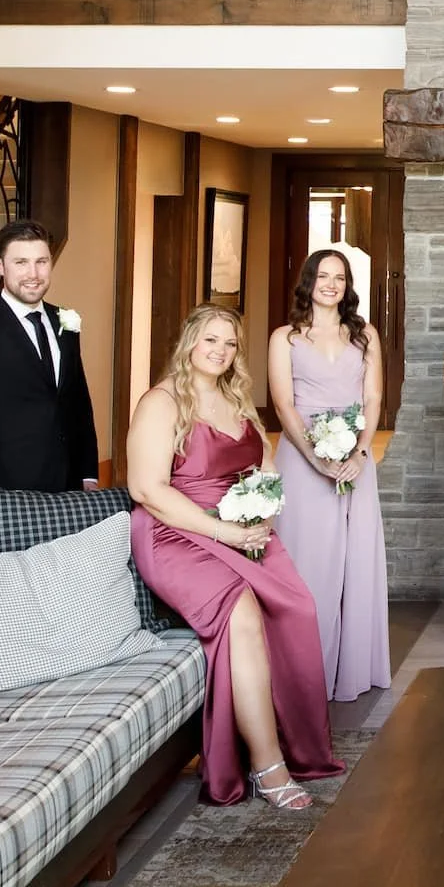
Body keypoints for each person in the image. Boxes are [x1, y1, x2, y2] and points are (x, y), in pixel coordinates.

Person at [127, 307, 341, 808]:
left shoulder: (236, 399)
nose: (220, 351)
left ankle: (296, 740)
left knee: (299, 608)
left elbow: (263, 463)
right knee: (242, 612)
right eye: (210, 340)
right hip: (175, 532)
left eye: (230, 343)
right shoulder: (162, 402)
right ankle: (269, 767)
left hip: (239, 527)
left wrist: (261, 506)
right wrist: (223, 530)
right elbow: (145, 488)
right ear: (189, 343)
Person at [268, 249, 392, 705]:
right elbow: (284, 405)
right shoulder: (285, 338)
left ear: (348, 285)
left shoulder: (364, 336)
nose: (331, 284)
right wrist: (317, 459)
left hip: (355, 460)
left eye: (339, 277)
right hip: (303, 461)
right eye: (323, 276)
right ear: (308, 282)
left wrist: (361, 452)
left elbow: (373, 396)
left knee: (356, 561)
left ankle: (352, 670)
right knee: (310, 562)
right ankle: (304, 674)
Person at [0, 220, 97, 492]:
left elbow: (79, 404)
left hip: (69, 489)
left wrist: (88, 474)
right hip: (6, 493)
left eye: (41, 261)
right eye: (21, 262)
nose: (33, 273)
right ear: (0, 266)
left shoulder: (65, 323)